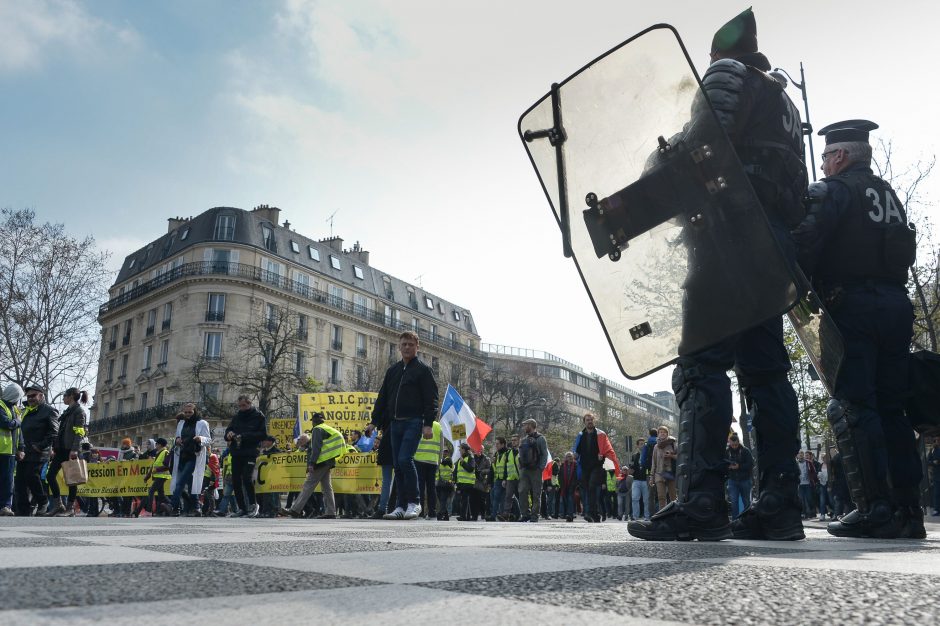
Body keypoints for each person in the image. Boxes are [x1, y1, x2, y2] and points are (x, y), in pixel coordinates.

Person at [629, 7, 806, 542]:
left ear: (714, 52)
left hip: (726, 234)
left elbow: (702, 148)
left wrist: (647, 182)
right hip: (769, 246)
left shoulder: (727, 74)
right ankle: (779, 504)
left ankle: (702, 501)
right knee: (766, 372)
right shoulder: (783, 102)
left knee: (701, 364)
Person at [794, 120, 923, 538]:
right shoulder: (888, 196)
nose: (824, 164)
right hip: (895, 305)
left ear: (841, 155)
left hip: (852, 306)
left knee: (853, 407)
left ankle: (874, 509)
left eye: (827, 157)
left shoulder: (832, 190)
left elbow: (804, 247)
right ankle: (908, 512)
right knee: (893, 410)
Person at [371, 331, 439, 521]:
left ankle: (414, 502)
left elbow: (431, 398)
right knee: (398, 465)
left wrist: (428, 424)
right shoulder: (392, 370)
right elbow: (383, 397)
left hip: (414, 420)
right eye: (404, 344)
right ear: (399, 347)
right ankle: (400, 505)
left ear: (418, 347)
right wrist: (374, 421)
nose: (407, 347)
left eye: (411, 344)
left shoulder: (423, 370)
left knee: (404, 459)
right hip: (395, 423)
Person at [281, 412, 343, 519]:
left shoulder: (317, 429)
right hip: (328, 461)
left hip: (321, 462)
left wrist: (312, 463)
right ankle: (331, 512)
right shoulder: (327, 428)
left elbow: (316, 448)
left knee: (308, 485)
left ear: (313, 422)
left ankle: (295, 510)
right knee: (327, 488)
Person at [14, 385, 58, 516]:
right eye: (28, 396)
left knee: (31, 475)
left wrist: (41, 445)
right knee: (19, 482)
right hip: (23, 451)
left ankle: (43, 501)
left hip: (39, 452)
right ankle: (23, 511)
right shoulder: (24, 410)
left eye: (33, 395)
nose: (30, 398)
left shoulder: (49, 411)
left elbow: (53, 432)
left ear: (41, 395)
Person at [46, 388, 90, 516]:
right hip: (61, 449)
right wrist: (55, 447)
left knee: (73, 479)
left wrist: (75, 449)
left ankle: (70, 508)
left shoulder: (79, 412)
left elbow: (79, 432)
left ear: (71, 396)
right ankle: (58, 505)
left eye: (64, 396)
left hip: (71, 450)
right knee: (50, 476)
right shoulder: (68, 411)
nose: (63, 398)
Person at [572, 413, 619, 523]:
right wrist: (575, 455)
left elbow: (609, 450)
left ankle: (591, 513)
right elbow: (576, 450)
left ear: (594, 421)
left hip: (597, 466)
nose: (589, 421)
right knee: (586, 490)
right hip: (584, 466)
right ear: (584, 422)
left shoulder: (601, 434)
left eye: (591, 420)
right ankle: (594, 514)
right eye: (587, 420)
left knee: (592, 486)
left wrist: (603, 455)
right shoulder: (581, 435)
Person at [225, 394, 267, 518]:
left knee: (247, 478)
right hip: (236, 452)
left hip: (250, 451)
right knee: (236, 480)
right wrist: (229, 434)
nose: (242, 408)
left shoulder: (258, 416)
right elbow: (228, 431)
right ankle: (241, 508)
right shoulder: (237, 416)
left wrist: (244, 436)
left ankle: (253, 505)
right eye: (240, 406)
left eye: (244, 405)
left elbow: (263, 434)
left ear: (250, 404)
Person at [170, 403, 211, 517]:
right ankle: (197, 508)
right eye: (186, 412)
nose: (188, 414)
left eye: (190, 412)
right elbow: (177, 437)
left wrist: (200, 438)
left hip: (194, 456)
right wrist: (177, 440)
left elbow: (208, 439)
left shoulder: (202, 423)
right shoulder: (181, 423)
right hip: (182, 456)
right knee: (191, 483)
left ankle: (174, 506)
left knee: (180, 483)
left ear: (195, 411)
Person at [517, 418, 549, 523]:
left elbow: (544, 454)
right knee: (522, 491)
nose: (524, 427)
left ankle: (534, 516)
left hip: (536, 470)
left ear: (531, 425)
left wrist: (541, 468)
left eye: (525, 425)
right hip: (525, 470)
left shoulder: (541, 439)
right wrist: (520, 466)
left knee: (536, 494)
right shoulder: (524, 439)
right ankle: (525, 514)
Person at [0, 384, 24, 516]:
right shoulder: (1, 406)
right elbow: (7, 424)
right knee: (5, 480)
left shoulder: (15, 410)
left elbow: (20, 432)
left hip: (9, 451)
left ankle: (5, 506)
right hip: (3, 450)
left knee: (8, 480)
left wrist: (21, 448)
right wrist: (18, 421)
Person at [413, 419, 443, 520]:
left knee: (420, 488)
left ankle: (420, 513)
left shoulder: (419, 423)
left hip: (419, 459)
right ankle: (432, 513)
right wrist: (439, 461)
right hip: (433, 460)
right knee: (431, 488)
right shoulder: (438, 426)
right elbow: (441, 446)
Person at [725, 433, 754, 519]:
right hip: (732, 480)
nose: (734, 446)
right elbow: (722, 464)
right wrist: (728, 467)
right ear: (729, 442)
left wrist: (739, 466)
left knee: (746, 502)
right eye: (732, 445)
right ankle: (735, 522)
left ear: (739, 442)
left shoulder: (745, 451)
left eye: (736, 445)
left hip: (745, 480)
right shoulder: (726, 452)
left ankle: (748, 520)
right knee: (734, 502)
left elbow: (750, 464)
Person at [144, 438, 172, 516]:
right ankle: (171, 505)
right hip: (158, 476)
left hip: (162, 476)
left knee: (151, 491)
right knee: (161, 494)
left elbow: (167, 466)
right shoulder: (158, 453)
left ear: (159, 444)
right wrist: (147, 477)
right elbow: (153, 467)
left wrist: (157, 470)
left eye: (156, 444)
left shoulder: (165, 452)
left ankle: (149, 511)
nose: (155, 445)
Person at [454, 443, 476, 520]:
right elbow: (457, 472)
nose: (459, 450)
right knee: (464, 500)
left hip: (468, 482)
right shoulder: (461, 459)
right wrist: (456, 482)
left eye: (460, 448)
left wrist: (463, 462)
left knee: (464, 500)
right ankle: (467, 517)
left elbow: (471, 469)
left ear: (463, 449)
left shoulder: (470, 457)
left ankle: (463, 516)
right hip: (461, 483)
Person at [630, 439, 650, 521]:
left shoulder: (648, 455)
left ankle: (647, 516)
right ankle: (635, 517)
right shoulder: (634, 456)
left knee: (646, 500)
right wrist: (630, 469)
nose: (643, 445)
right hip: (636, 480)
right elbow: (631, 467)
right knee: (635, 498)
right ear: (637, 445)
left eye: (644, 444)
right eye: (641, 444)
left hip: (645, 480)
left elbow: (649, 467)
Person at [558, 451, 578, 522]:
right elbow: (560, 476)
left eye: (570, 456)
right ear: (565, 458)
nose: (569, 458)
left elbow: (576, 476)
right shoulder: (563, 465)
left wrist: (575, 484)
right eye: (567, 456)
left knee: (570, 499)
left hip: (572, 486)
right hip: (564, 486)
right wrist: (561, 484)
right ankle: (566, 513)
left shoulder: (575, 465)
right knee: (565, 500)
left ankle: (570, 514)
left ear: (572, 457)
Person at [472, 448, 491, 521]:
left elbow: (490, 469)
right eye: (478, 450)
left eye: (481, 450)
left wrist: (482, 471)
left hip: (482, 482)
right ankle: (474, 515)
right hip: (474, 481)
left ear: (483, 450)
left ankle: (483, 513)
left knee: (482, 499)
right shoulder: (472, 458)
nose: (479, 451)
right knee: (474, 499)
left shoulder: (486, 459)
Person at [435, 456, 455, 520]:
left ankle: (441, 514)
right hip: (448, 485)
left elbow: (437, 474)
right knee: (443, 501)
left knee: (442, 501)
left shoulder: (440, 466)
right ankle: (444, 515)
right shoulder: (452, 467)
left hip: (439, 485)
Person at [818, 453, 834, 521]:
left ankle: (834, 512)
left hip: (829, 483)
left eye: (826, 458)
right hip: (822, 484)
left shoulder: (831, 465)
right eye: (823, 458)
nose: (824, 459)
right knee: (822, 500)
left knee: (831, 499)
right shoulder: (821, 465)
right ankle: (822, 514)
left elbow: (833, 474)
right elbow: (818, 472)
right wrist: (818, 475)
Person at [928, 440, 940, 517]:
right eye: (935, 440)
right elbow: (928, 461)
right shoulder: (933, 450)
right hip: (937, 475)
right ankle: (937, 509)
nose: (937, 441)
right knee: (936, 493)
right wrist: (933, 462)